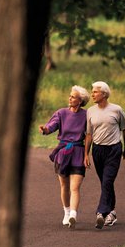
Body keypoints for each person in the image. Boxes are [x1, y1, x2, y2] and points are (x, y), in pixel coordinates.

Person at [39, 85, 90, 228]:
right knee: (64, 185)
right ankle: (66, 212)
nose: (70, 98)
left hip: (78, 152)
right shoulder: (61, 113)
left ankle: (73, 215)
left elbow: (89, 135)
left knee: (75, 187)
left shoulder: (86, 115)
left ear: (80, 101)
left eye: (73, 97)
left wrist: (87, 154)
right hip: (63, 153)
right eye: (70, 95)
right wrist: (45, 129)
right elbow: (52, 126)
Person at [84, 81, 125, 229]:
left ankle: (101, 212)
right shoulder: (90, 111)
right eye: (92, 92)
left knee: (107, 180)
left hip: (113, 150)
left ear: (104, 94)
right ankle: (112, 213)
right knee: (105, 182)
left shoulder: (117, 110)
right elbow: (89, 134)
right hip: (98, 150)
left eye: (95, 92)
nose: (92, 94)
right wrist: (86, 154)